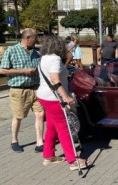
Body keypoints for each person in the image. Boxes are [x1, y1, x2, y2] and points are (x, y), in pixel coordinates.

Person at [36, 35, 90, 170]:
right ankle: (73, 160)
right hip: (54, 98)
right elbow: (55, 79)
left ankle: (48, 155)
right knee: (64, 128)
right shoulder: (55, 58)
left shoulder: (44, 58)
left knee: (52, 126)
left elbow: (55, 73)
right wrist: (65, 96)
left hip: (43, 96)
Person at [0, 28, 44, 153]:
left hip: (36, 88)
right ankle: (14, 140)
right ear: (28, 38)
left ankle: (39, 142)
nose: (37, 40)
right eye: (35, 38)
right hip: (19, 90)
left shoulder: (36, 53)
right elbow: (2, 70)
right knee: (18, 117)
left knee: (40, 115)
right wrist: (23, 71)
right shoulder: (12, 51)